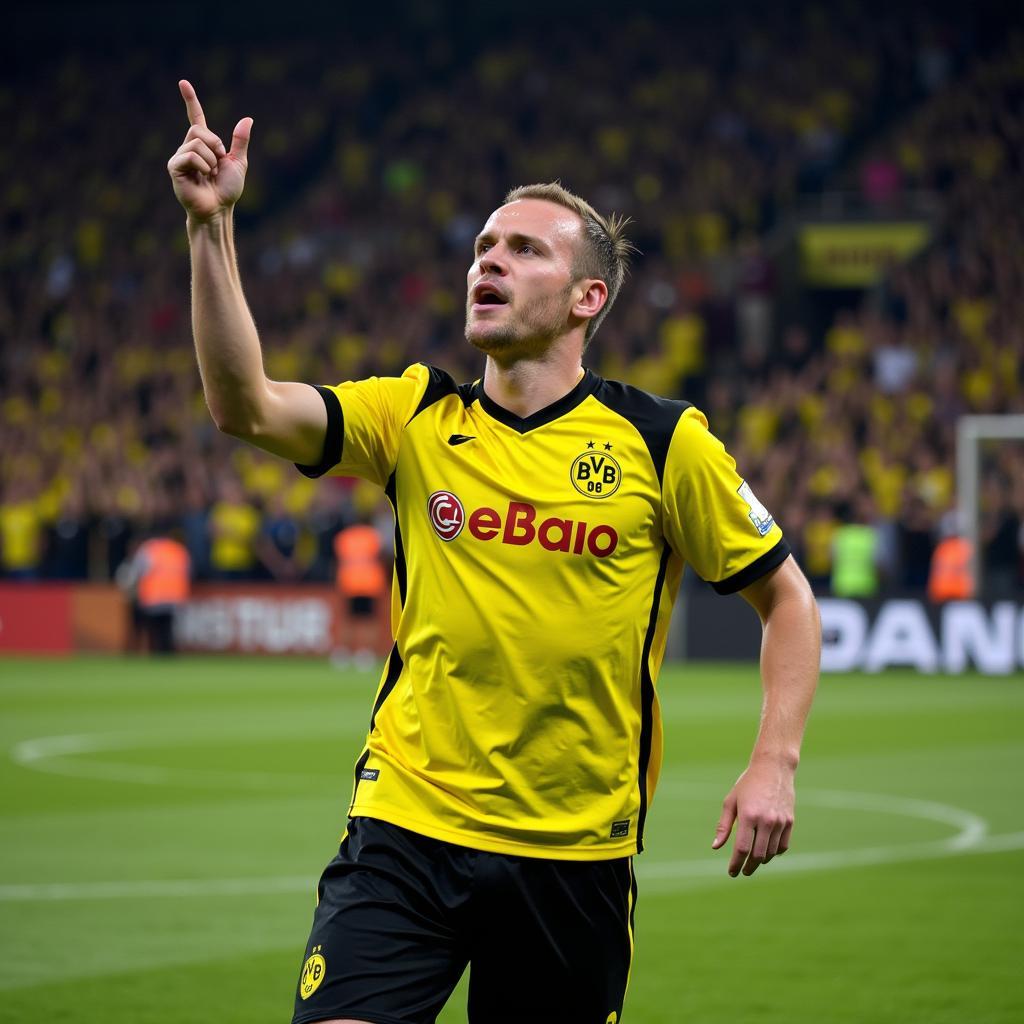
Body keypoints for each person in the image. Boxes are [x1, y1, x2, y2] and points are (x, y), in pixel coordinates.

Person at [169, 80, 821, 1024]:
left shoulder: (661, 441)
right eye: (483, 246)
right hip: (407, 826)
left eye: (524, 249)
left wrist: (776, 761)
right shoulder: (414, 414)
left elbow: (789, 601)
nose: (490, 261)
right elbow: (246, 405)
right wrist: (208, 228)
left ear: (587, 297)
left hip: (575, 853)